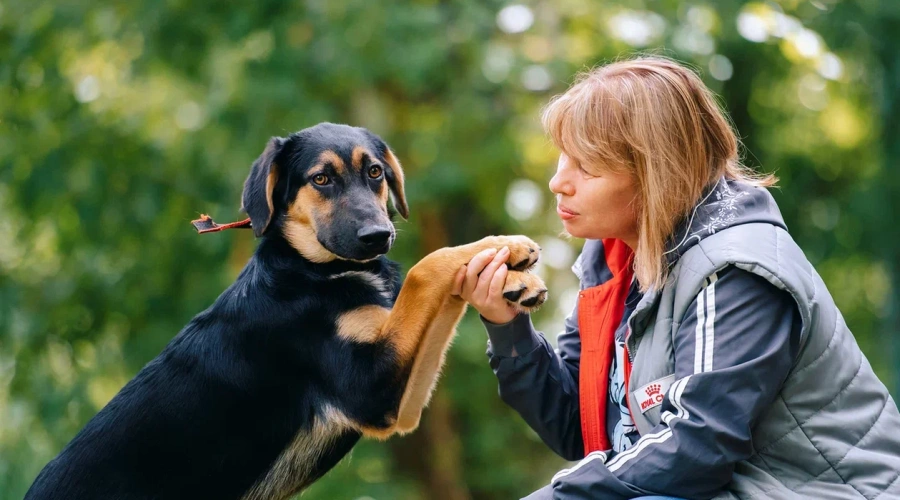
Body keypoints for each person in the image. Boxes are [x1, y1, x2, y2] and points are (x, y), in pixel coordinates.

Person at [451, 56, 900, 500]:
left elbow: (696, 448)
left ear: (655, 172)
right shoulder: (613, 258)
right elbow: (575, 425)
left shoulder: (734, 272)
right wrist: (509, 326)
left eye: (586, 166)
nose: (558, 182)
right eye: (564, 156)